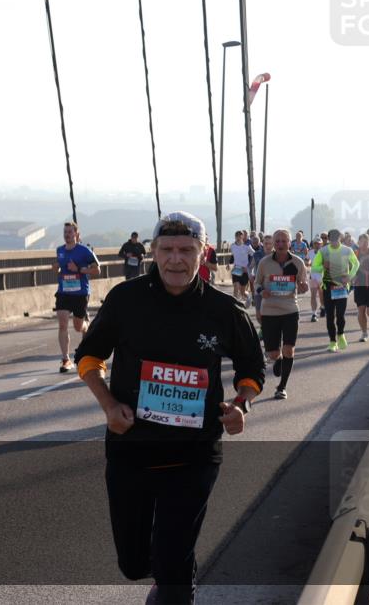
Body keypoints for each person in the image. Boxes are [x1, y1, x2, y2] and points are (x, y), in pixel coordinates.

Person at [76, 211, 264, 605]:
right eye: (167, 250)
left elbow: (252, 368)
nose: (175, 259)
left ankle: (175, 582)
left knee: (173, 559)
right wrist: (108, 404)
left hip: (194, 453)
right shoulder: (125, 300)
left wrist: (240, 404)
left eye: (186, 250)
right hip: (131, 448)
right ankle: (167, 573)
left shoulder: (224, 310)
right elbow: (89, 356)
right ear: (152, 252)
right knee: (133, 561)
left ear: (204, 253)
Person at [256, 229, 309, 399]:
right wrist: (261, 290)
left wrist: (303, 287)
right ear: (273, 243)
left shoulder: (297, 262)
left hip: (290, 310)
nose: (280, 244)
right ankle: (277, 360)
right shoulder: (264, 262)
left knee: (288, 350)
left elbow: (303, 285)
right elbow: (256, 284)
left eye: (283, 241)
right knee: (273, 353)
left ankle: (282, 387)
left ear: (289, 243)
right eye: (277, 241)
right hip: (269, 311)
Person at [51, 221, 101, 372]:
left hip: (80, 293)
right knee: (62, 324)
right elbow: (60, 271)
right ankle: (66, 360)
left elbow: (97, 270)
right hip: (64, 292)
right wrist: (56, 269)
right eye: (65, 232)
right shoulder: (60, 250)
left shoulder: (84, 251)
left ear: (76, 234)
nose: (67, 235)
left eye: (70, 232)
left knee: (78, 327)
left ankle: (86, 324)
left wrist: (79, 269)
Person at [311, 228, 360, 352]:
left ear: (340, 238)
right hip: (328, 286)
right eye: (331, 239)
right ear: (328, 239)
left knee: (340, 315)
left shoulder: (347, 250)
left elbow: (356, 264)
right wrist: (322, 266)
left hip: (342, 287)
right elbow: (314, 268)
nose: (333, 241)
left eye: (336, 239)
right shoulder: (323, 251)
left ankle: (341, 334)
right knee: (329, 316)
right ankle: (332, 342)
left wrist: (349, 277)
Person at [250, 234, 275, 326]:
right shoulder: (257, 254)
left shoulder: (277, 255)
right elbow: (250, 267)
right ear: (262, 243)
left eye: (270, 243)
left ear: (273, 244)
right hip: (259, 286)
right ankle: (263, 327)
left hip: (272, 287)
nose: (267, 246)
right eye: (265, 243)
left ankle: (267, 330)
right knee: (258, 313)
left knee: (272, 312)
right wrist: (251, 275)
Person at [229, 231, 253, 305]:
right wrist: (229, 264)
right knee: (236, 287)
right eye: (237, 236)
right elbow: (233, 256)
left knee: (242, 292)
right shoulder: (232, 246)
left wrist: (249, 267)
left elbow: (254, 255)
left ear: (243, 237)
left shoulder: (247, 247)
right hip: (236, 269)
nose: (238, 237)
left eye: (240, 236)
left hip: (244, 270)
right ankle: (234, 305)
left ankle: (248, 296)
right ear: (235, 237)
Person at [306, 240, 324, 322]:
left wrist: (316, 267)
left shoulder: (324, 253)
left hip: (322, 277)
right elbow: (306, 261)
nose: (317, 245)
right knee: (313, 295)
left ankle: (323, 307)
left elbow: (326, 265)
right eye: (315, 244)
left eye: (318, 244)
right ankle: (314, 314)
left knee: (321, 295)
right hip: (313, 277)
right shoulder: (310, 252)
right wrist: (308, 263)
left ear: (321, 245)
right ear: (313, 244)